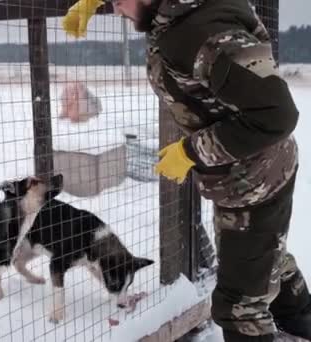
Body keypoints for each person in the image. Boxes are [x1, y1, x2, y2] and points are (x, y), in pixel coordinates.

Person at [62, 0, 311, 341]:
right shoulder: (178, 13)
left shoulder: (204, 32)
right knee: (265, 257)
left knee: (238, 307)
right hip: (240, 176)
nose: (117, 11)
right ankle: (302, 324)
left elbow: (275, 115)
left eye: (118, 2)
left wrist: (190, 151)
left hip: (256, 178)